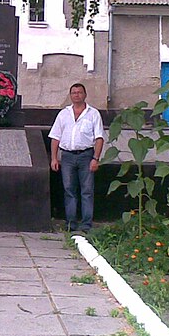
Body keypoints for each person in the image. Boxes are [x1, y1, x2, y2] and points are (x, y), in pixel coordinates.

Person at [49, 83, 104, 233]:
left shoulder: (93, 114)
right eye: (73, 93)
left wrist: (96, 158)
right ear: (70, 95)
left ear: (85, 95)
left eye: (79, 92)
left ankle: (86, 225)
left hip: (86, 155)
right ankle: (70, 224)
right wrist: (54, 158)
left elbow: (99, 138)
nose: (77, 95)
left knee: (87, 191)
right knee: (69, 190)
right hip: (67, 156)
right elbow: (55, 137)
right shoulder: (63, 114)